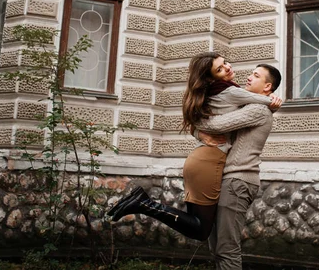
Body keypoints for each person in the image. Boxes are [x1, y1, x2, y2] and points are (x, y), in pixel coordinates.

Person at [106, 53, 281, 241]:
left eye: (225, 63)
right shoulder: (230, 93)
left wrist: (198, 132)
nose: (228, 68)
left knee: (197, 223)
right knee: (200, 230)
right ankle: (145, 204)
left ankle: (144, 203)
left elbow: (201, 122)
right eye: (220, 69)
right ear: (211, 77)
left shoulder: (216, 92)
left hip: (199, 160)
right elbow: (214, 124)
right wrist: (272, 103)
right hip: (209, 162)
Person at [195, 64, 282, 270]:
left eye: (256, 75)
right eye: (251, 73)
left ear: (267, 86)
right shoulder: (245, 105)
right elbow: (212, 129)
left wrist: (194, 119)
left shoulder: (258, 109)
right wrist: (199, 132)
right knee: (217, 247)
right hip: (229, 179)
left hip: (238, 181)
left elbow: (215, 126)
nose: (249, 77)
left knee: (226, 248)